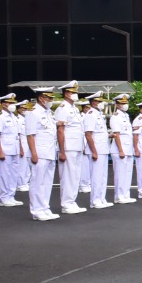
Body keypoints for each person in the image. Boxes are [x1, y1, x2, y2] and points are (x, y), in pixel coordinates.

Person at [24, 86, 60, 221]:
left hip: (50, 151)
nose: (50, 100)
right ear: (41, 98)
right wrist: (34, 153)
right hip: (39, 152)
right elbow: (30, 135)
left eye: (51, 98)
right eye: (48, 98)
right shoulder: (33, 113)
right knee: (37, 182)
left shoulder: (48, 113)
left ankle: (45, 207)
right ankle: (37, 210)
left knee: (47, 182)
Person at [54, 80, 86, 214]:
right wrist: (61, 151)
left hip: (76, 146)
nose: (75, 95)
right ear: (66, 94)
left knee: (75, 175)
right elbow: (60, 130)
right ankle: (66, 203)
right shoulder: (62, 108)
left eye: (76, 92)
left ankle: (72, 201)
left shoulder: (74, 109)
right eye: (73, 93)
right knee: (68, 176)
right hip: (68, 147)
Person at [0, 94, 24, 207]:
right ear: (4, 104)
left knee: (14, 174)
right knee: (4, 175)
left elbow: (18, 135)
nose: (12, 105)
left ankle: (11, 196)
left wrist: (20, 148)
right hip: (5, 149)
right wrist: (0, 151)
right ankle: (4, 198)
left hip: (14, 149)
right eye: (10, 103)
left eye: (13, 103)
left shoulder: (14, 117)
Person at [83, 93, 113, 209]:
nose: (102, 103)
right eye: (100, 101)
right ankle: (95, 200)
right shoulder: (91, 115)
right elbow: (88, 134)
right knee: (96, 176)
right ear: (94, 102)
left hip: (103, 148)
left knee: (103, 176)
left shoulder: (99, 114)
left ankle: (101, 198)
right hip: (96, 150)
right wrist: (94, 151)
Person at [109, 93, 136, 204]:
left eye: (126, 103)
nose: (125, 105)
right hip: (120, 149)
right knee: (120, 174)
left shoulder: (126, 116)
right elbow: (117, 135)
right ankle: (119, 196)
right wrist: (120, 150)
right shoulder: (116, 116)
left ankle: (125, 194)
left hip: (128, 148)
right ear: (117, 105)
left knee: (127, 172)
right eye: (122, 103)